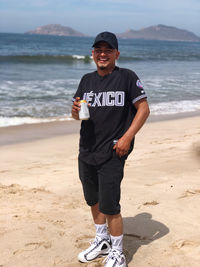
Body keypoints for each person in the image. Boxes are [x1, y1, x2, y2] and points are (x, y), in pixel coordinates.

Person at [71, 31, 150, 267]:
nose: (102, 54)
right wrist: (75, 112)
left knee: (110, 205)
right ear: (92, 54)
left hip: (113, 151)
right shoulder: (86, 80)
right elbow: (77, 114)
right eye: (98, 50)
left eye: (108, 50)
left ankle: (117, 252)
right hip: (87, 150)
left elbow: (143, 109)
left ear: (116, 54)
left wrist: (126, 138)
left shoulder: (127, 77)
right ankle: (102, 240)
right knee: (93, 199)